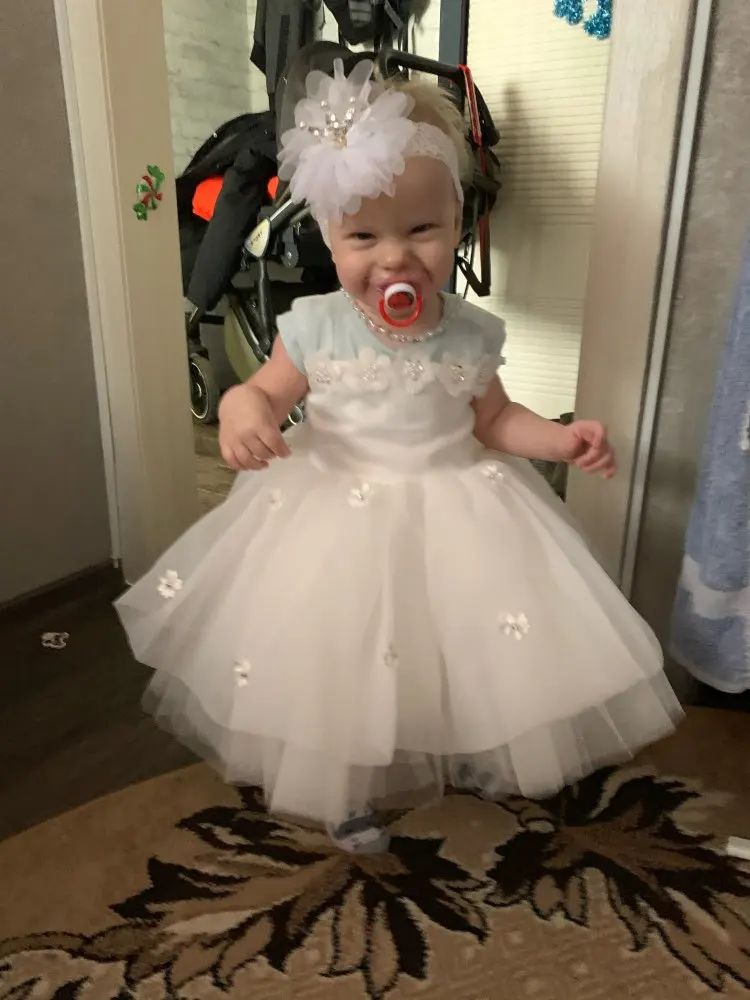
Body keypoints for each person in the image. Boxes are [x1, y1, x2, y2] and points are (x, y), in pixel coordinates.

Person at [116, 59, 682, 855]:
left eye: (421, 230)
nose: (394, 258)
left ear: (458, 221)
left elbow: (495, 419)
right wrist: (243, 410)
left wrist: (560, 439)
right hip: (334, 507)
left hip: (458, 504)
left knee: (455, 646)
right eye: (363, 237)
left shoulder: (470, 332)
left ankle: (460, 745)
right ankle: (347, 783)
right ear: (327, 234)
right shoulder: (316, 325)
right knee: (344, 657)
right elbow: (267, 392)